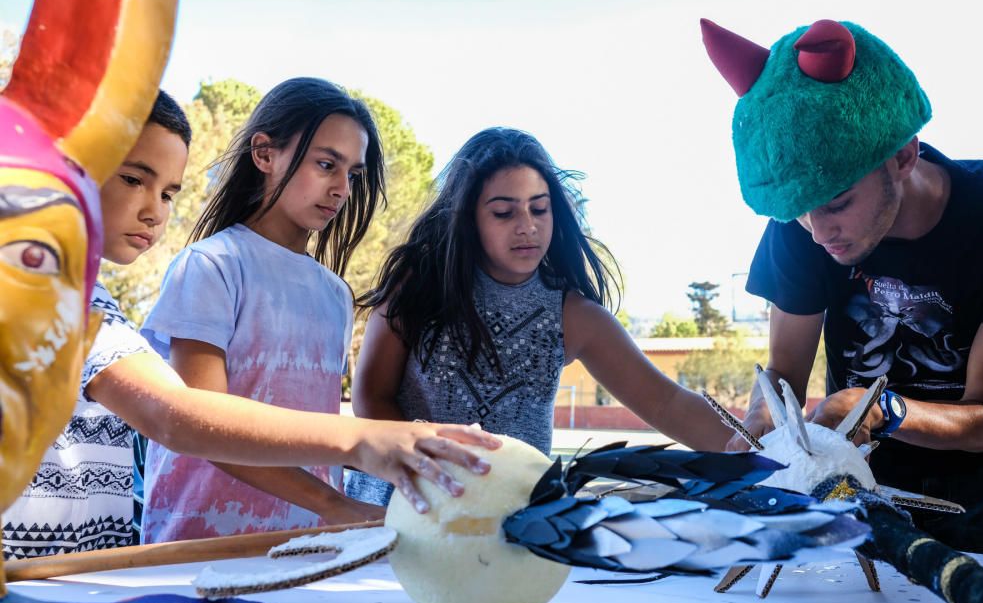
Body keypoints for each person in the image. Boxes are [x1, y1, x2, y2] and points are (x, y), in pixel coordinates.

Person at [1, 91, 499, 560]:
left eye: (170, 192)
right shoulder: (47, 288)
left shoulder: (84, 294)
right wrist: (362, 446)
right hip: (172, 556)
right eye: (134, 179)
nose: (155, 211)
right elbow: (180, 416)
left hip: (73, 581)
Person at [702, 18, 983, 552]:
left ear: (904, 156)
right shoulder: (803, 226)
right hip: (856, 485)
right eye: (800, 214)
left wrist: (878, 408)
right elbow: (782, 376)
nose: (818, 234)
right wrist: (760, 424)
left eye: (838, 204)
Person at [346, 127, 734, 505]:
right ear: (467, 219)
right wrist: (428, 458)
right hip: (397, 514)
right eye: (503, 212)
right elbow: (369, 397)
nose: (527, 226)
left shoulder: (574, 315)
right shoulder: (417, 287)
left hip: (511, 525)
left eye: (539, 208)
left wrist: (766, 453)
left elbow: (666, 403)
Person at [139, 78, 388, 543]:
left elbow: (315, 428)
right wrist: (336, 503)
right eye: (326, 164)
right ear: (264, 154)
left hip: (307, 550)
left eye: (352, 173)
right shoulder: (212, 266)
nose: (341, 188)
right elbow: (203, 425)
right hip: (198, 550)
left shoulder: (335, 294)